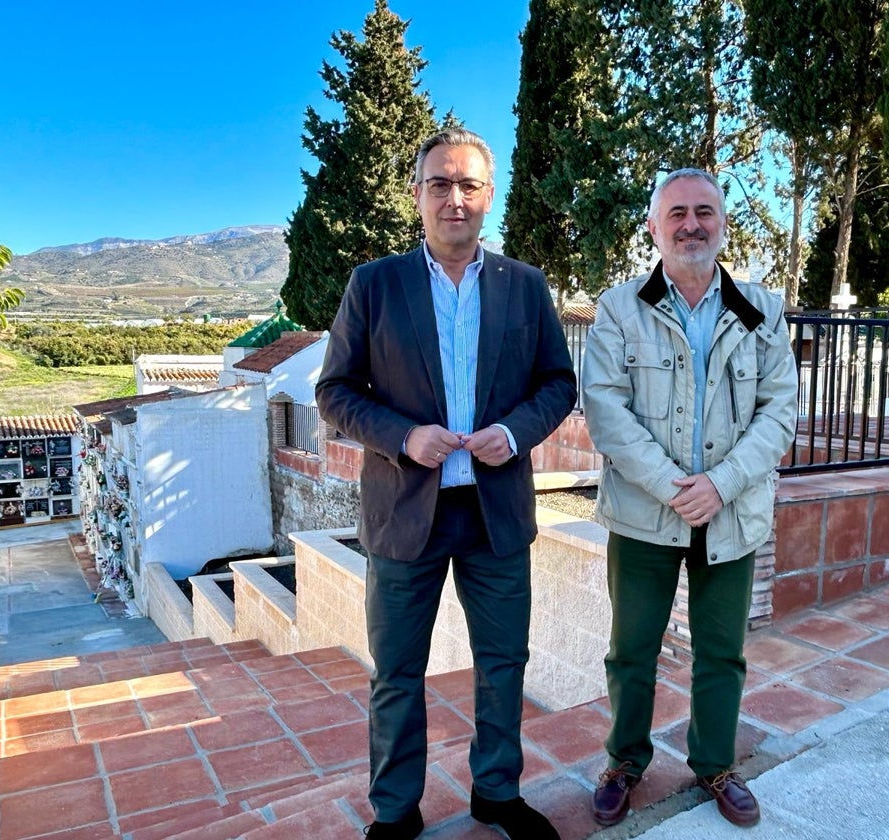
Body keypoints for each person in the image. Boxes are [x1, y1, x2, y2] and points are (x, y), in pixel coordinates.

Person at [316, 127, 575, 840]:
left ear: (488, 196)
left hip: (496, 514)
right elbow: (335, 392)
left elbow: (558, 382)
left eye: (468, 185)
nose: (453, 199)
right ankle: (395, 813)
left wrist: (516, 432)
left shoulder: (524, 286)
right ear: (417, 195)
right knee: (397, 672)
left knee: (504, 663)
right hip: (405, 512)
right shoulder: (374, 284)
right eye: (440, 184)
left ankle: (496, 791)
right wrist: (404, 437)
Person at [581, 168, 798, 829]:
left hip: (731, 516)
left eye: (704, 211)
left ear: (723, 222)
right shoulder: (620, 308)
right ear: (654, 226)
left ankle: (714, 765)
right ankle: (624, 760)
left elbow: (780, 409)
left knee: (722, 650)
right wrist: (677, 487)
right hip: (646, 514)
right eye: (676, 213)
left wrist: (721, 485)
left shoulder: (762, 307)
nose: (691, 224)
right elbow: (605, 408)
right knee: (632, 648)